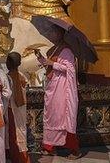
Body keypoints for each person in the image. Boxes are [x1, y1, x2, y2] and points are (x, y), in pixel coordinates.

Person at [35, 27, 80, 159]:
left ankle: (74, 149)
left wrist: (52, 63)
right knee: (52, 116)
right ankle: (50, 147)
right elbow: (50, 65)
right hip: (52, 87)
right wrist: (43, 60)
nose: (49, 34)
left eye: (52, 31)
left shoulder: (66, 50)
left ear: (60, 33)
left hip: (62, 90)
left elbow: (71, 69)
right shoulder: (54, 49)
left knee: (63, 117)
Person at [6, 52, 30, 163]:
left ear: (8, 63)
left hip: (13, 109)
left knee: (15, 134)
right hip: (20, 108)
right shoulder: (22, 75)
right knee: (19, 132)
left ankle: (20, 158)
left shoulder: (9, 77)